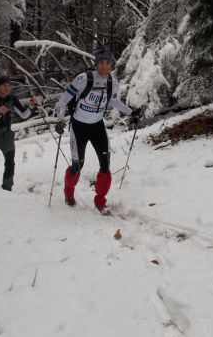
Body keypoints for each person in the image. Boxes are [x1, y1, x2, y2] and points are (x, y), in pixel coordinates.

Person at [54, 47, 145, 213]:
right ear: (96, 64)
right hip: (79, 126)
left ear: (111, 64)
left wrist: (132, 113)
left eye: (107, 63)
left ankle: (100, 200)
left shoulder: (112, 82)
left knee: (105, 165)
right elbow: (64, 99)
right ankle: (69, 191)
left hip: (97, 127)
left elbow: (115, 101)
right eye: (101, 63)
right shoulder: (83, 79)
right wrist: (60, 120)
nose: (104, 66)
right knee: (77, 165)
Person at [0, 75, 39, 191]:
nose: (7, 88)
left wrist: (31, 106)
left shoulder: (11, 99)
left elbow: (23, 115)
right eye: (4, 85)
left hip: (7, 135)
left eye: (9, 86)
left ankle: (7, 188)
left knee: (10, 163)